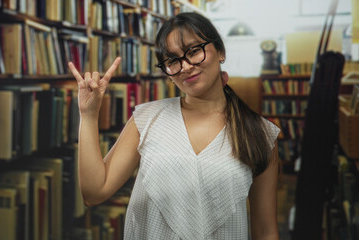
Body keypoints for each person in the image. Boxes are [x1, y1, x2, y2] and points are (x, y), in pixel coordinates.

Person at [68, 12, 280, 240]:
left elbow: (265, 230)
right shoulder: (147, 118)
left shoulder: (261, 134)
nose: (186, 66)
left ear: (220, 52)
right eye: (172, 61)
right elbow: (94, 192)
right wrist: (88, 116)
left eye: (194, 51)